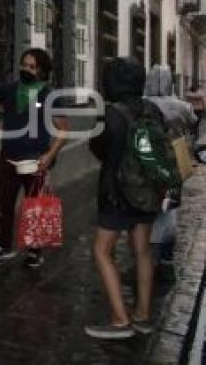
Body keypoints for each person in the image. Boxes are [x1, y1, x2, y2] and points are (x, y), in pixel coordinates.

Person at [85, 57, 161, 339]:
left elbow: (98, 148)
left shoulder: (110, 114)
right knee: (142, 250)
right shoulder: (152, 109)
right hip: (147, 192)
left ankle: (120, 320)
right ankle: (142, 315)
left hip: (117, 194)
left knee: (102, 251)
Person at [0, 48, 69, 268]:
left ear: (42, 71)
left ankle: (35, 250)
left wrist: (50, 156)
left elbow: (63, 130)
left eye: (32, 67)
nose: (26, 70)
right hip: (8, 156)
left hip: (35, 159)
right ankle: (3, 246)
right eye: (24, 65)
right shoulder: (11, 89)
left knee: (35, 205)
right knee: (5, 204)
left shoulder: (48, 95)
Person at [144, 65, 197, 281]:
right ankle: (165, 257)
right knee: (170, 210)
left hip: (147, 164)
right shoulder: (182, 106)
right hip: (173, 165)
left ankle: (147, 254)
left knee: (149, 209)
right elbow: (193, 123)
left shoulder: (142, 103)